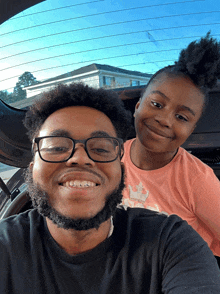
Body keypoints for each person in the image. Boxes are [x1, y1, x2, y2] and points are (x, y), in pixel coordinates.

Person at [0, 83, 220, 294]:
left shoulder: (173, 241)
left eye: (101, 149)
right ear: (31, 168)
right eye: (57, 147)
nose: (80, 158)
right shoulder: (6, 245)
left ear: (122, 171)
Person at [121, 33, 220, 258]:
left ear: (191, 130)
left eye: (182, 117)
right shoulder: (111, 157)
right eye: (156, 104)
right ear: (137, 106)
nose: (164, 120)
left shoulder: (197, 180)